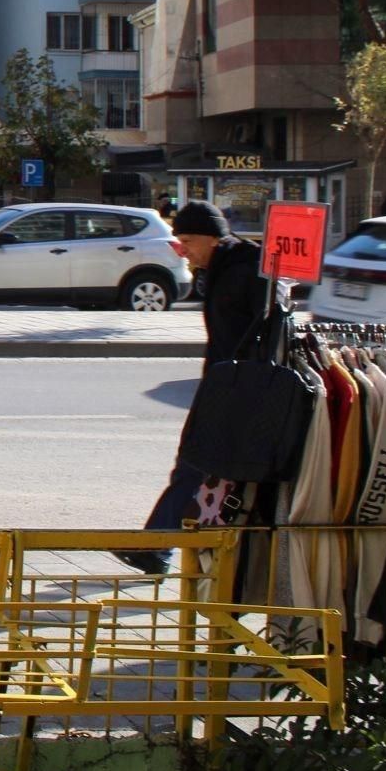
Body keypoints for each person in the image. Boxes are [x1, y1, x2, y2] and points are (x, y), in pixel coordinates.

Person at [117, 200, 266, 574]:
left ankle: (160, 545)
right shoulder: (219, 268)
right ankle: (159, 545)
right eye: (178, 241)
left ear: (213, 239)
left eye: (188, 241)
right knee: (194, 466)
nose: (183, 250)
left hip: (238, 389)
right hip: (221, 383)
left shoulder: (246, 270)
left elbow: (258, 334)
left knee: (197, 464)